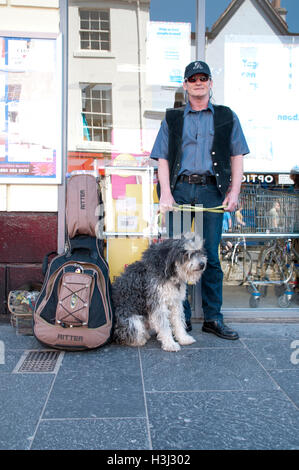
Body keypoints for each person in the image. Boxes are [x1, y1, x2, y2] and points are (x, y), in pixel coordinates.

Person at [150, 60, 250, 340]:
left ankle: (213, 318)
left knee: (210, 257)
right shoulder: (172, 118)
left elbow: (237, 155)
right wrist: (166, 193)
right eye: (192, 78)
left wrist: (234, 191)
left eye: (203, 77)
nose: (198, 82)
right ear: (185, 84)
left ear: (210, 83)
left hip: (210, 192)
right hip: (179, 191)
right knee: (176, 257)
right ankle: (179, 318)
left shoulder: (226, 116)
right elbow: (163, 158)